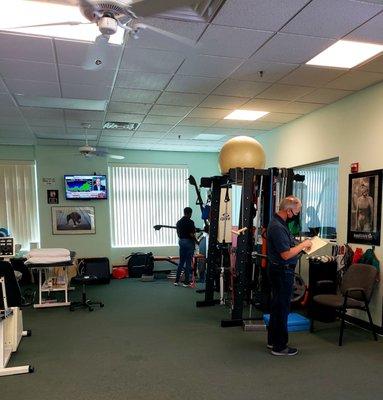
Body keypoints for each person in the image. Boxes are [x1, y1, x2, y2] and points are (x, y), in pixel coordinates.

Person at [266, 196, 312, 356]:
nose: (298, 214)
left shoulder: (280, 223)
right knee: (282, 308)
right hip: (281, 271)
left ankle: (273, 341)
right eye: (297, 211)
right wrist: (302, 246)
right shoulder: (277, 227)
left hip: (279, 270)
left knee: (277, 306)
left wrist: (300, 244)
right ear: (288, 210)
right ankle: (280, 347)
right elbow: (285, 254)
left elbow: (288, 244)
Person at [174, 207, 196, 287]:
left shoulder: (178, 222)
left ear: (184, 212)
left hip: (181, 241)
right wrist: (196, 241)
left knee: (181, 262)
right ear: (190, 213)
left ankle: (176, 281)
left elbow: (178, 234)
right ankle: (186, 282)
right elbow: (191, 234)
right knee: (188, 263)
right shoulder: (190, 222)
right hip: (189, 242)